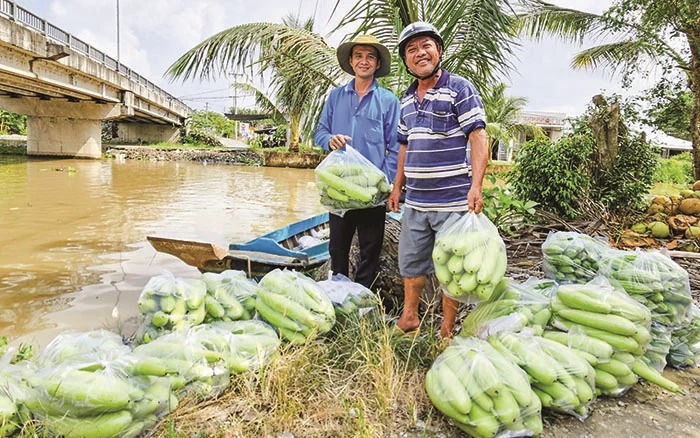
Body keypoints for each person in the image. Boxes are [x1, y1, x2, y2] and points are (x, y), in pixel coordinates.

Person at [387, 22, 489, 339]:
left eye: (426, 46)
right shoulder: (404, 100)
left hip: (453, 201)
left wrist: (476, 186)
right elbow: (404, 145)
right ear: (406, 61)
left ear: (439, 51)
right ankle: (409, 318)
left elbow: (478, 136)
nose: (420, 53)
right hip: (415, 202)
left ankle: (446, 330)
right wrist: (397, 186)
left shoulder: (459, 88)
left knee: (452, 268)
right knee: (412, 265)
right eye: (411, 49)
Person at [314, 34, 400, 289]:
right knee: (337, 247)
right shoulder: (336, 97)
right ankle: (338, 293)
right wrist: (330, 140)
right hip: (340, 188)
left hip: (372, 190)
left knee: (370, 249)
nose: (364, 61)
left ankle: (363, 297)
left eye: (370, 57)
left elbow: (395, 146)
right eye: (359, 56)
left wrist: (386, 183)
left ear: (376, 64)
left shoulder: (388, 101)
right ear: (351, 61)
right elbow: (319, 132)